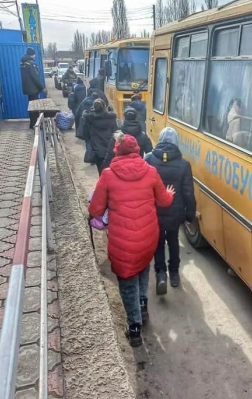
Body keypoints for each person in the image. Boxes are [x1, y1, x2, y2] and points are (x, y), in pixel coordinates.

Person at [88, 132, 175, 347]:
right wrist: (171, 193)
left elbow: (95, 210)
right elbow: (164, 201)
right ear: (137, 150)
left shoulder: (107, 175)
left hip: (122, 242)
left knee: (127, 283)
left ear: (117, 150)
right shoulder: (151, 171)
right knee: (143, 269)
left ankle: (134, 329)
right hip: (148, 238)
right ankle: (143, 308)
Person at [145, 127, 196, 294]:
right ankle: (174, 273)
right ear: (176, 142)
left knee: (158, 243)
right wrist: (190, 215)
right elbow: (188, 192)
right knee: (173, 241)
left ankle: (161, 274)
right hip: (175, 213)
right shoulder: (184, 164)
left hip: (155, 212)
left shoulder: (149, 159)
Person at [83, 99, 119, 175]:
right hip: (110, 147)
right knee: (112, 170)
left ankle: (103, 183)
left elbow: (86, 134)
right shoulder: (111, 117)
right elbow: (115, 131)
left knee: (101, 170)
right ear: (104, 107)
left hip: (97, 149)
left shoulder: (90, 119)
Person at [20, 47, 46, 129]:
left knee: (31, 107)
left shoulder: (23, 63)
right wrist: (42, 88)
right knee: (35, 107)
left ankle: (32, 124)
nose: (35, 56)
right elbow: (35, 78)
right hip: (33, 90)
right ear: (32, 54)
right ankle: (36, 125)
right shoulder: (31, 64)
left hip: (28, 89)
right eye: (34, 54)